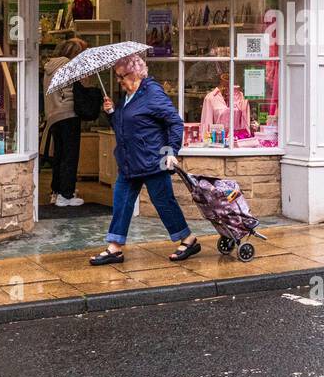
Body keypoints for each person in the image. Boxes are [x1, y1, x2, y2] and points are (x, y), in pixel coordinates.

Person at [90, 54, 200, 265]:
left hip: (152, 159)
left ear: (134, 73)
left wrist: (171, 152)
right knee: (121, 202)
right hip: (129, 161)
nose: (119, 81)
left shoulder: (152, 93)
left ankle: (188, 239)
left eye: (121, 77)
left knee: (163, 202)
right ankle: (115, 248)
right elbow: (124, 127)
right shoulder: (129, 96)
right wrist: (112, 113)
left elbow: (175, 123)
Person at [42, 37, 91, 208]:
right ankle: (66, 194)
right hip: (68, 114)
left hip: (53, 115)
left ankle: (56, 191)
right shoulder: (70, 66)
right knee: (70, 156)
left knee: (59, 155)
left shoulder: (50, 66)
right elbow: (82, 88)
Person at [200, 65, 256, 143]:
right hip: (217, 142)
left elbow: (245, 122)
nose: (227, 77)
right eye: (224, 75)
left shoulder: (240, 96)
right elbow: (206, 124)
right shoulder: (211, 98)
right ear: (220, 78)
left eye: (229, 75)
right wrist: (207, 143)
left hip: (237, 141)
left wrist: (246, 138)